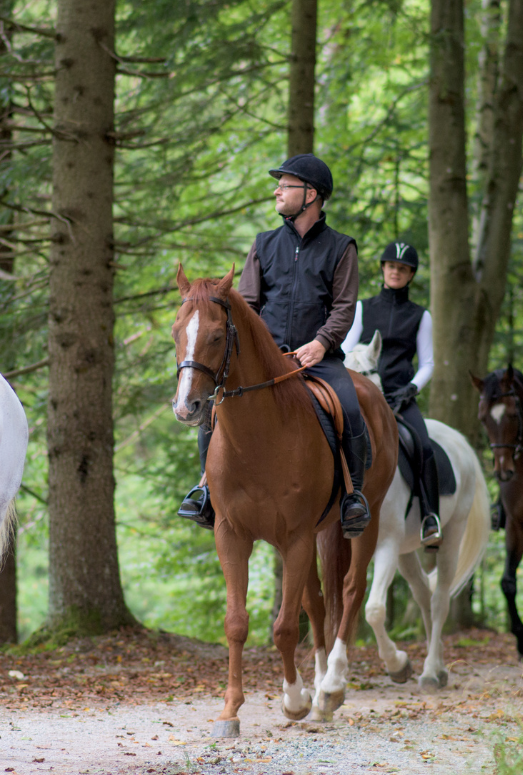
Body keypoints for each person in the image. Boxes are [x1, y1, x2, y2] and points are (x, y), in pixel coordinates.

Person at [177, 153, 371, 537]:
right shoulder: (264, 244)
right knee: (216, 408)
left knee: (349, 406)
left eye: (285, 185)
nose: (276, 191)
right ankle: (205, 490)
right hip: (266, 361)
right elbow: (247, 306)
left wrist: (321, 343)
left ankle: (353, 496)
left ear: (310, 193)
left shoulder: (341, 247)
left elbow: (344, 307)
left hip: (317, 358)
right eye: (278, 184)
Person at [341, 240, 440, 546]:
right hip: (362, 393)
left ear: (411, 275)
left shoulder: (420, 316)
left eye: (403, 269)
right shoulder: (362, 308)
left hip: (400, 396)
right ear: (383, 269)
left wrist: (411, 389)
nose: (396, 272)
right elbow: (344, 350)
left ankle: (429, 517)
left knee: (423, 446)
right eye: (392, 266)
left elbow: (427, 363)